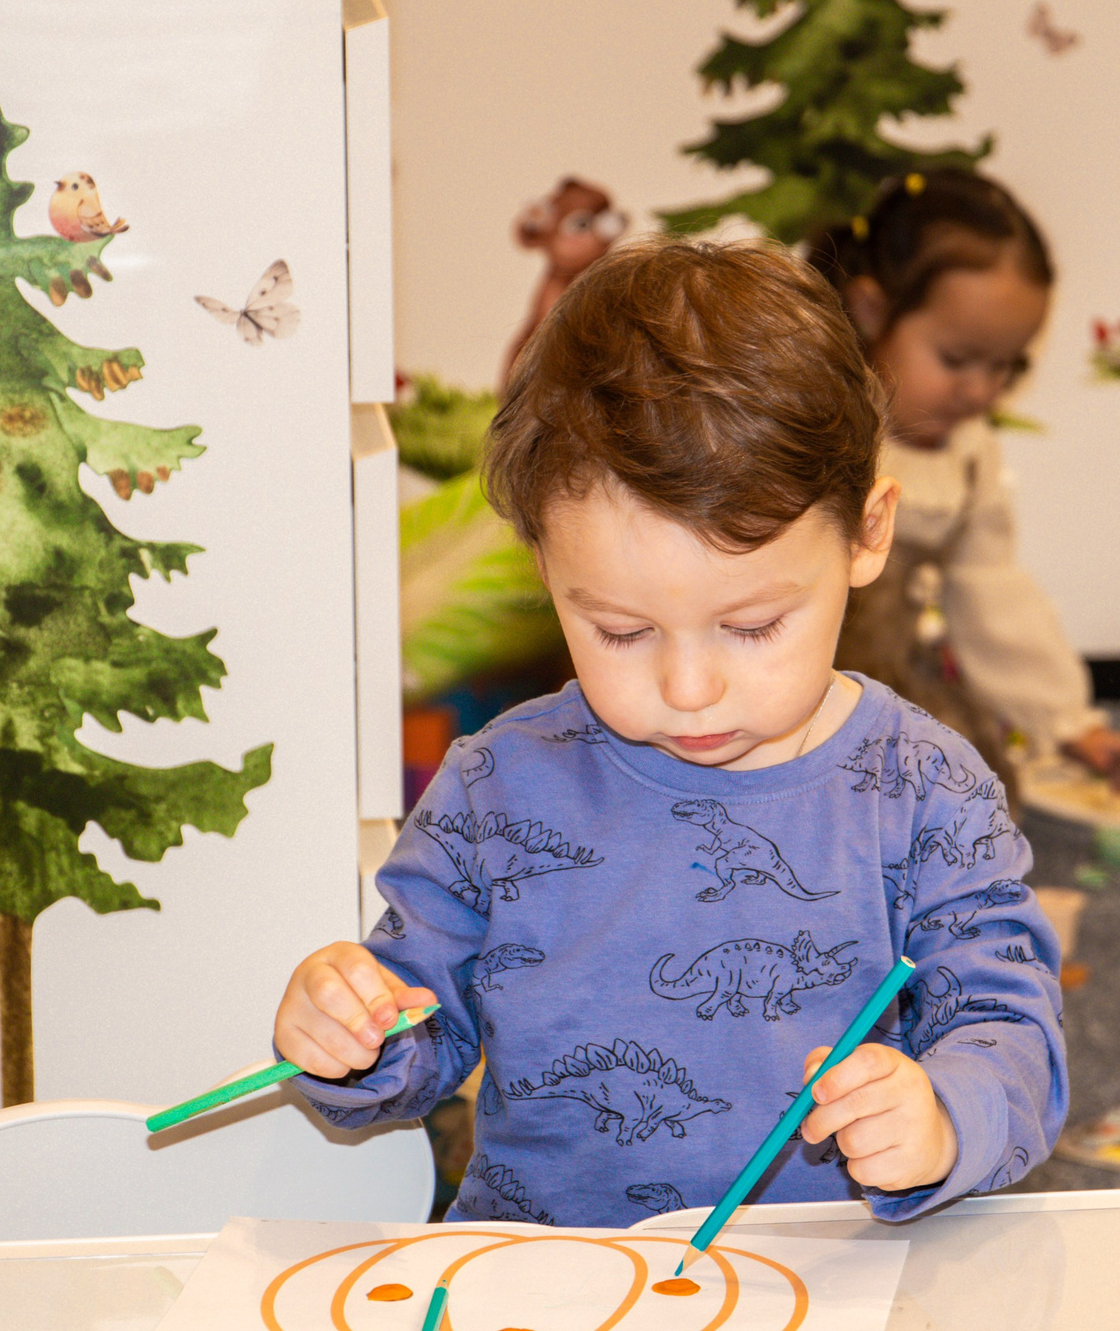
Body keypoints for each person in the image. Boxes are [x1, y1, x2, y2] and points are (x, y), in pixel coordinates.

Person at [272, 239, 1066, 1229]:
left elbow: (1007, 1028)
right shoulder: (495, 788)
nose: (688, 688)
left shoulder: (924, 789)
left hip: (829, 1291)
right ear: (546, 566)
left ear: (866, 534)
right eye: (620, 630)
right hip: (553, 1290)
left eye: (751, 625)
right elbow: (414, 1040)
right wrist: (349, 1031)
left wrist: (944, 1116)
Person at [802, 168, 1120, 796]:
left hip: (898, 683)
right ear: (873, 309)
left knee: (978, 789)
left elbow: (992, 593)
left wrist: (1068, 723)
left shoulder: (970, 458)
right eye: (958, 360)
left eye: (1005, 366)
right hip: (793, 689)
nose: (982, 390)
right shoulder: (823, 430)